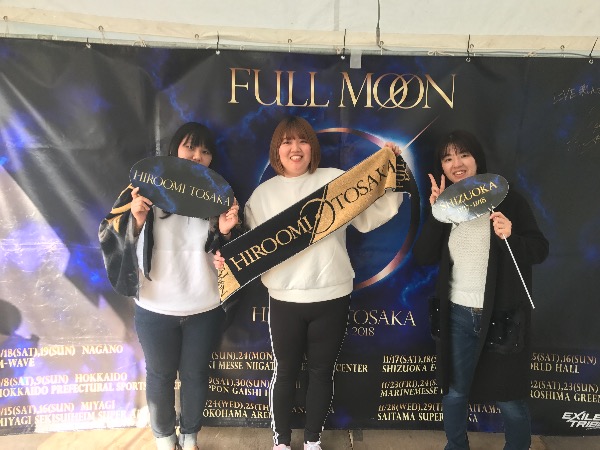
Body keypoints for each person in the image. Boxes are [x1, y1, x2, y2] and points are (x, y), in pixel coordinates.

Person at [215, 116, 404, 450]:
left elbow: (369, 218)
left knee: (321, 372)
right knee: (285, 372)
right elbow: (248, 250)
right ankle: (281, 442)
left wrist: (392, 170)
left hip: (333, 295)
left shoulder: (335, 181)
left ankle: (313, 441)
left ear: (312, 147)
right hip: (285, 300)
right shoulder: (263, 194)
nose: (295, 148)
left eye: (302, 140)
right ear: (277, 150)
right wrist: (227, 241)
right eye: (287, 141)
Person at [99, 122, 240, 450]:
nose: (197, 156)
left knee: (195, 375)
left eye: (205, 151)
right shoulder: (144, 188)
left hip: (204, 304)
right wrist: (136, 220)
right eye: (190, 147)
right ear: (175, 149)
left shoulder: (219, 194)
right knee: (160, 376)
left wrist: (226, 232)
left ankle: (190, 438)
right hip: (155, 305)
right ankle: (164, 438)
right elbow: (109, 233)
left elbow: (232, 255)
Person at [413, 130, 549, 450]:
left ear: (477, 159)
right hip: (457, 315)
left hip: (502, 317)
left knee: (509, 399)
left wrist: (511, 235)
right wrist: (437, 213)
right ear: (442, 167)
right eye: (448, 158)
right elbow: (423, 256)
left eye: (464, 155)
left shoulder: (509, 200)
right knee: (455, 392)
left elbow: (539, 250)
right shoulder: (446, 208)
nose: (457, 163)